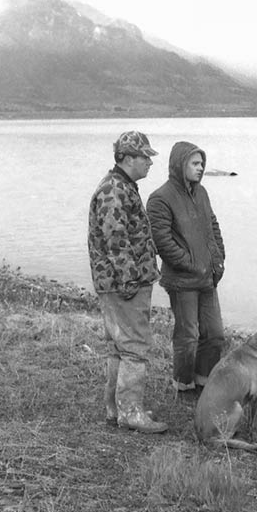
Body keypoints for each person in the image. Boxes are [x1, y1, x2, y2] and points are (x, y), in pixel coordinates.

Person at [88, 130, 167, 434]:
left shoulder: (121, 186)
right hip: (125, 285)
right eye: (144, 156)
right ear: (126, 158)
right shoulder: (114, 190)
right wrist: (130, 279)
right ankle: (130, 412)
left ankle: (115, 408)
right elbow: (116, 240)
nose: (149, 162)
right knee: (133, 347)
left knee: (118, 348)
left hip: (119, 283)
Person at [147, 141, 226, 399]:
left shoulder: (201, 193)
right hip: (182, 281)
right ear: (180, 165)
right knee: (188, 337)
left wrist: (218, 259)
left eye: (202, 163)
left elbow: (213, 226)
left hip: (207, 277)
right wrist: (191, 264)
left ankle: (205, 382)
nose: (201, 168)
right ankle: (184, 386)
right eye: (195, 163)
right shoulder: (160, 198)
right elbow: (162, 242)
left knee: (214, 334)